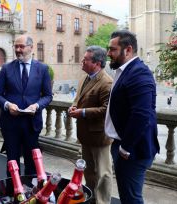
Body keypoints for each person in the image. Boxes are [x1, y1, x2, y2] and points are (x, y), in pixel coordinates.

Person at [105, 30, 160, 204]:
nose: (108, 53)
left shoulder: (139, 73)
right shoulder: (125, 70)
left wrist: (125, 148)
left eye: (112, 49)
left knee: (131, 198)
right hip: (123, 145)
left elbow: (142, 115)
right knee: (127, 195)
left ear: (127, 50)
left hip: (133, 150)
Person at [0, 35, 53, 176]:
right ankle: (14, 193)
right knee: (12, 164)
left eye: (21, 46)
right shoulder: (6, 68)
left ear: (31, 48)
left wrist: (37, 106)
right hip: (10, 124)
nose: (18, 49)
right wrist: (7, 105)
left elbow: (48, 96)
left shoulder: (43, 69)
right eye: (16, 46)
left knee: (32, 164)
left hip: (32, 124)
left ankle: (32, 194)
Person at [68, 46, 113, 204]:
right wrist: (74, 107)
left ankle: (102, 202)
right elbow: (78, 99)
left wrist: (82, 112)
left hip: (100, 137)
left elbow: (106, 110)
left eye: (86, 59)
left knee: (103, 174)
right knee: (88, 172)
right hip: (85, 135)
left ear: (97, 63)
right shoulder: (84, 78)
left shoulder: (107, 82)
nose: (82, 61)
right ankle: (92, 199)